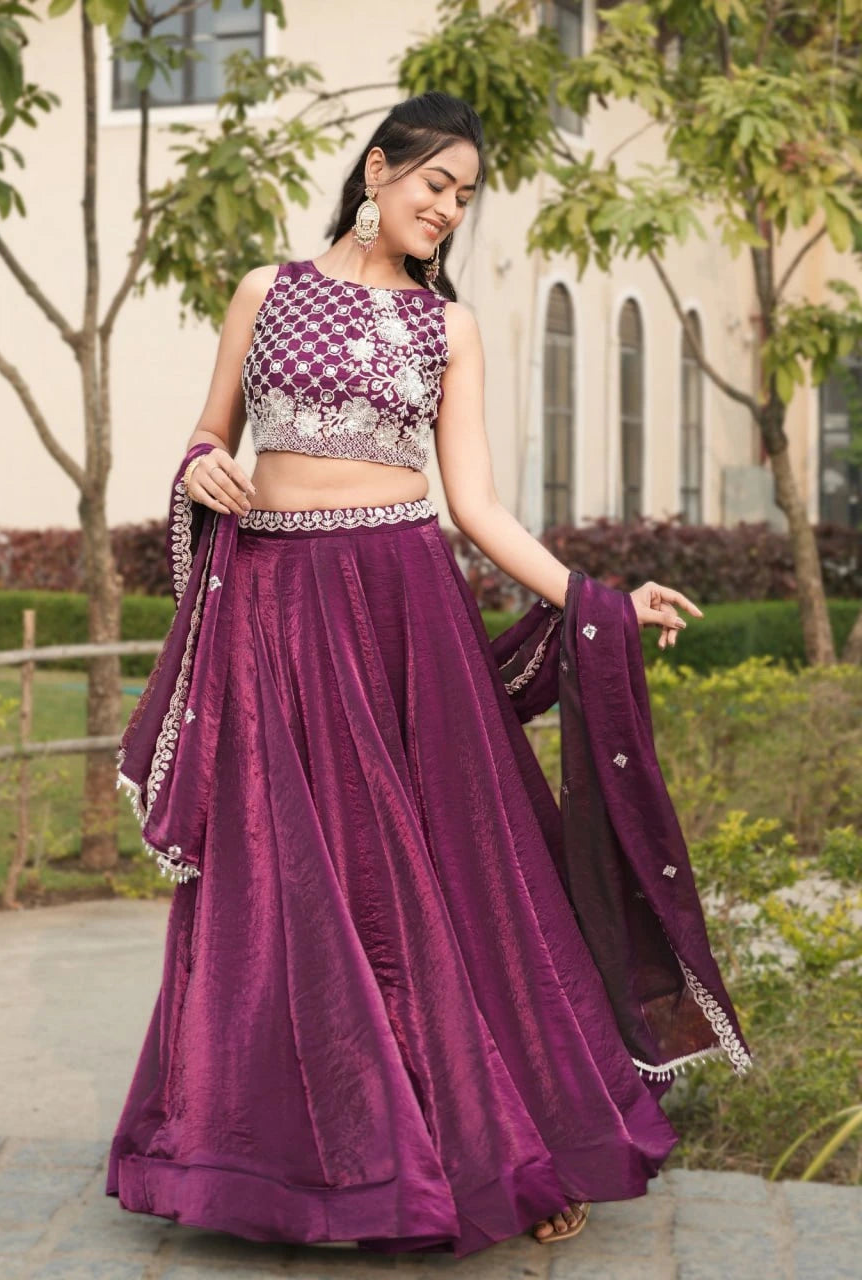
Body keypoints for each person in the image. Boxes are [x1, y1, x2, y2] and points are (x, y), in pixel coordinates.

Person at [105, 90, 751, 1258]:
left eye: (463, 196)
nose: (447, 209)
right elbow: (208, 437)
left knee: (444, 877)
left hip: (403, 609)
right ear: (378, 168)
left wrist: (594, 598)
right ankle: (300, 1157)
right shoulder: (268, 291)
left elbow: (479, 507)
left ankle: (505, 1145)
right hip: (275, 610)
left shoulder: (446, 330)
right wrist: (201, 469)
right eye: (434, 183)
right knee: (286, 882)